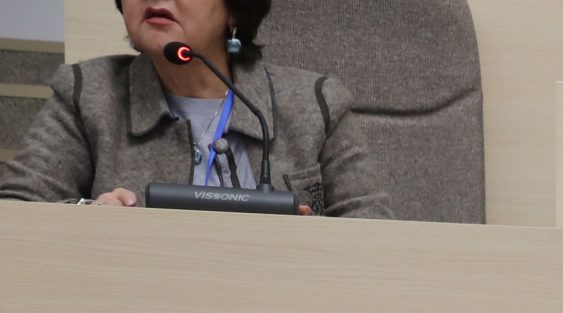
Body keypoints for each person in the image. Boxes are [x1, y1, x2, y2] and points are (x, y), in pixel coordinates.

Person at [0, 1, 389, 216]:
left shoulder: (315, 102)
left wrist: (310, 241)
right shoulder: (88, 93)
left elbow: (374, 230)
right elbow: (15, 211)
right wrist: (89, 214)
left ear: (234, 9)